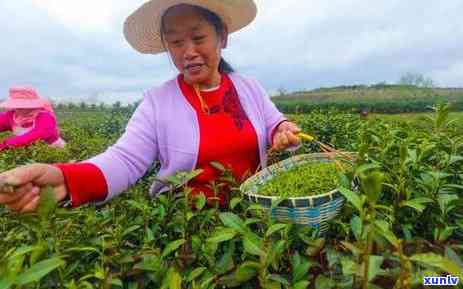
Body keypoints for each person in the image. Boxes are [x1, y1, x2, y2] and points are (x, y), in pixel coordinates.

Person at [0, 0, 301, 213]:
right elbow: (124, 160)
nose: (188, 52)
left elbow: (276, 122)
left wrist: (283, 130)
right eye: (176, 42)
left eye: (198, 38)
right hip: (186, 227)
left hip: (256, 214)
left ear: (222, 36)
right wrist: (65, 179)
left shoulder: (249, 87)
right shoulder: (158, 102)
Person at [0, 87, 66, 151]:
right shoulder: (12, 115)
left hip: (54, 150)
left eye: (23, 105)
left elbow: (36, 135)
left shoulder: (45, 117)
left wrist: (7, 144)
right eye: (17, 105)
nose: (19, 108)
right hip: (27, 150)